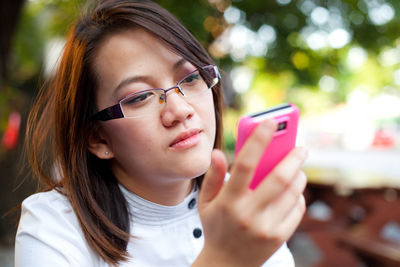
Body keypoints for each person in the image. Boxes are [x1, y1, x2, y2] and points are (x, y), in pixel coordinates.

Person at [15, 0, 308, 266]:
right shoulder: (53, 224)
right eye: (139, 96)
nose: (180, 110)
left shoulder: (242, 205)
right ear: (98, 138)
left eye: (191, 78)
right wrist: (224, 258)